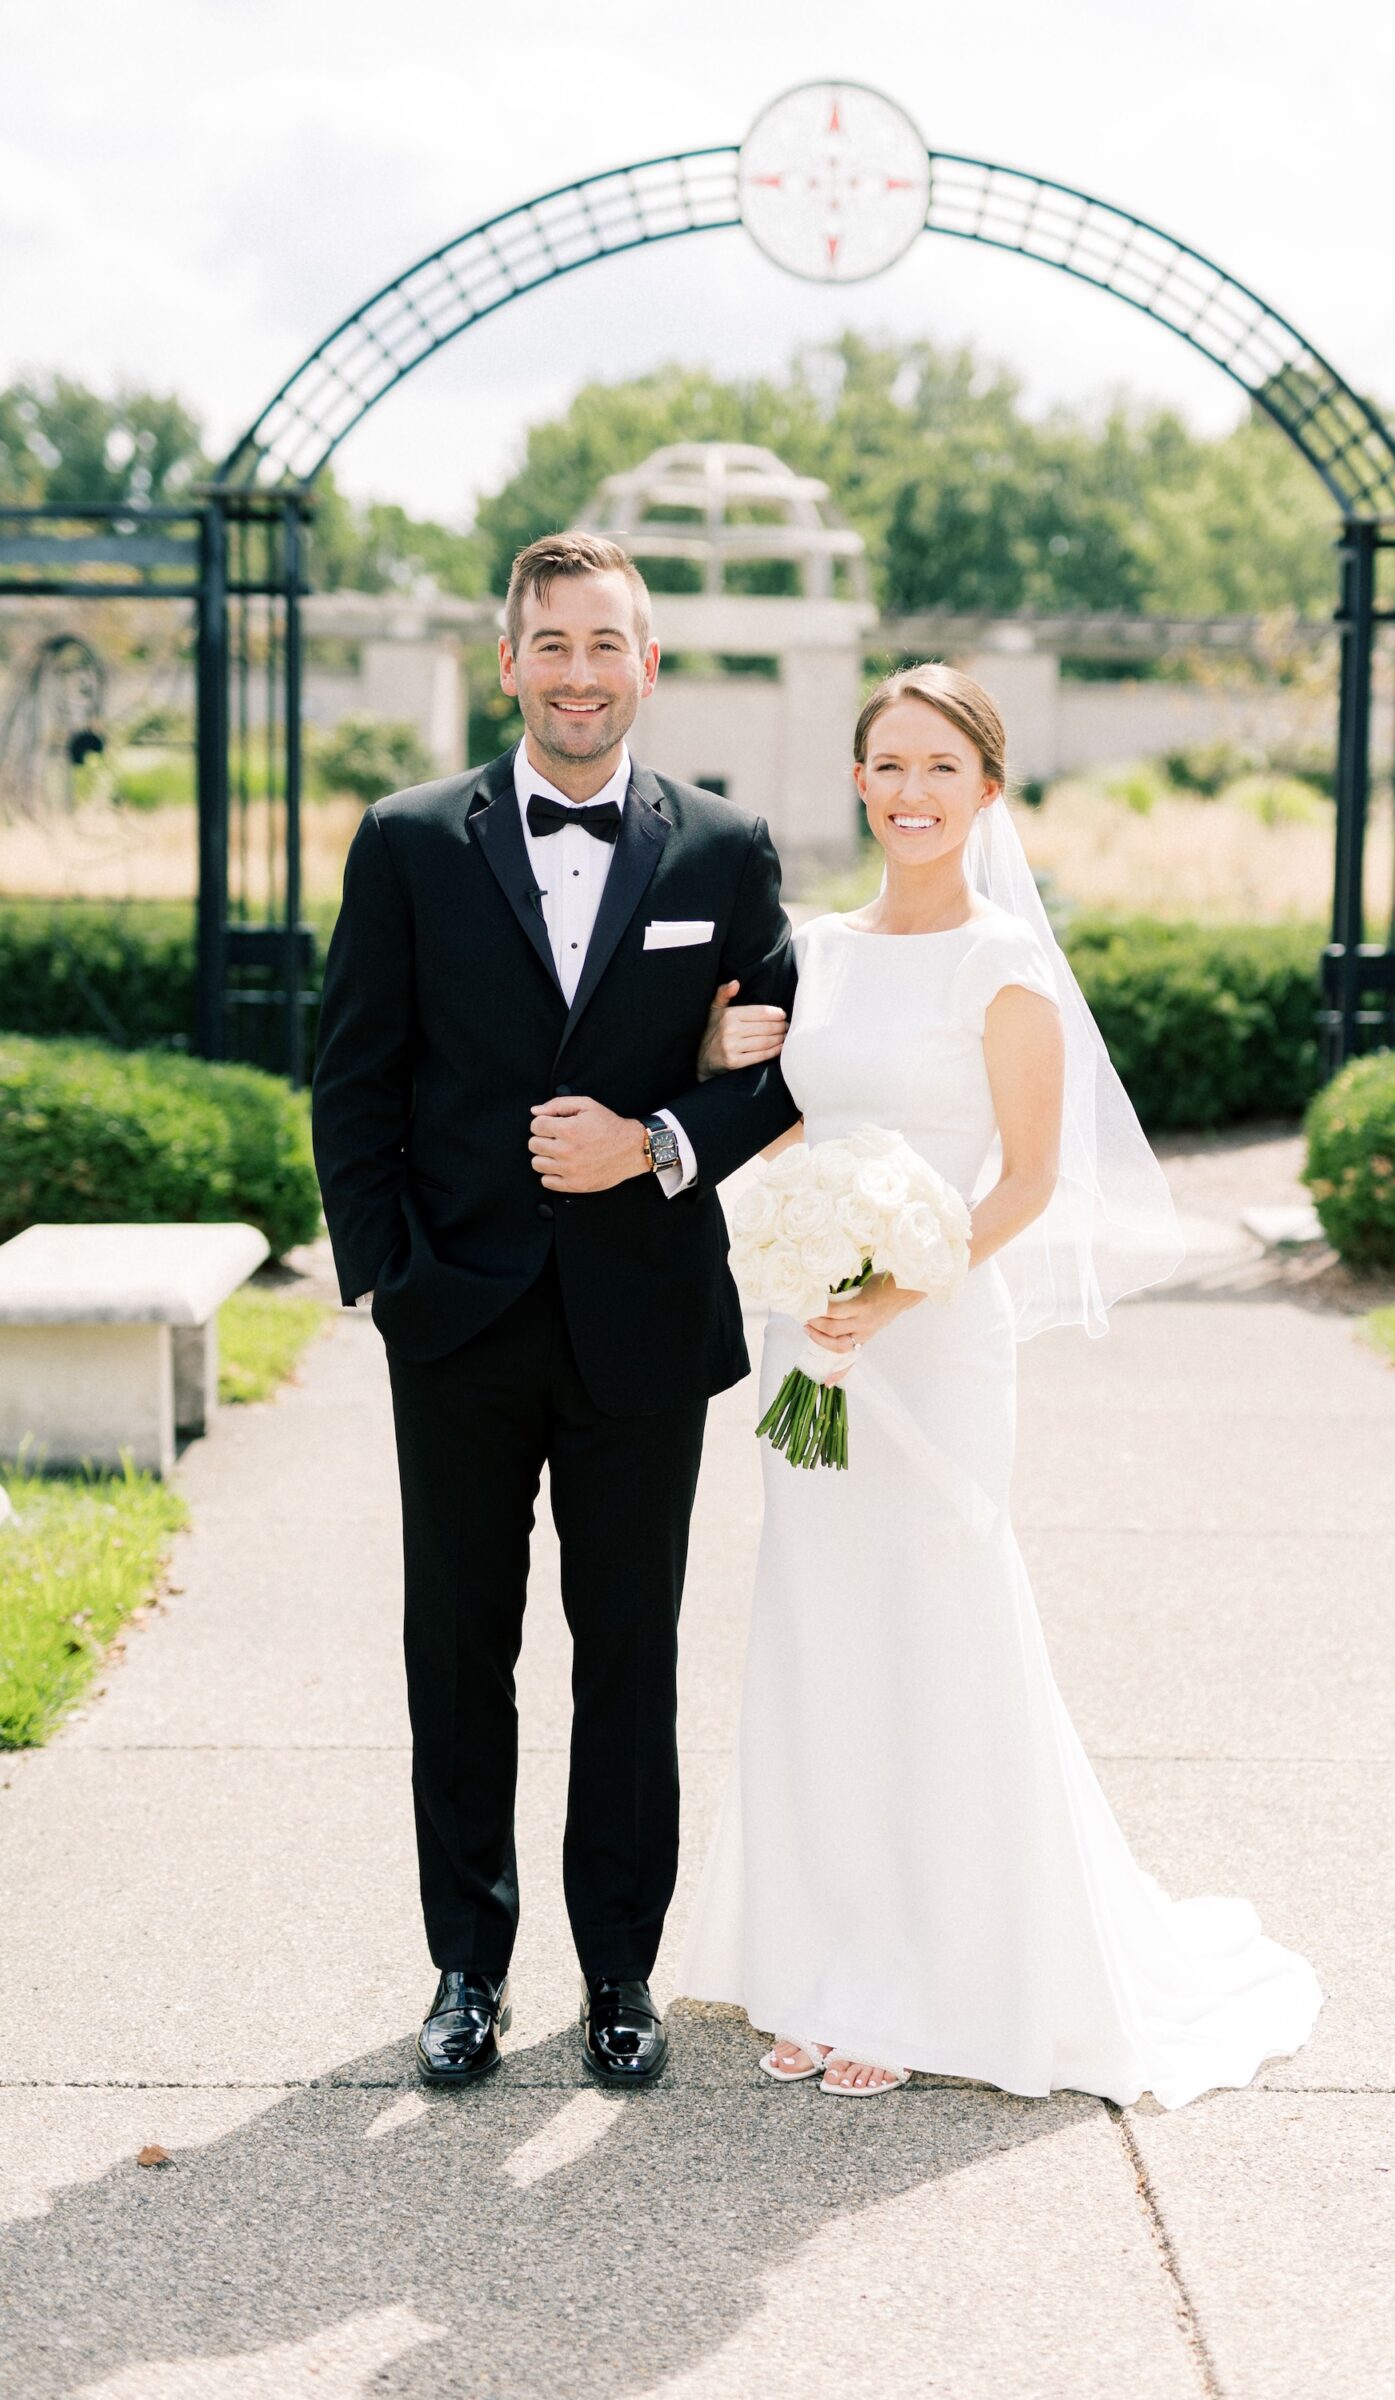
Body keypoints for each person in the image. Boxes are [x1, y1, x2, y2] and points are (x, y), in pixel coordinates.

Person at [679, 664, 1324, 2103]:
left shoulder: (1002, 964)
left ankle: (929, 1977)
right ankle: (821, 1959)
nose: (911, 791)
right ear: (859, 781)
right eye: (888, 765)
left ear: (988, 789)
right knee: (817, 1630)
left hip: (934, 1336)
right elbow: (787, 1127)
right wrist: (736, 1092)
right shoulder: (813, 950)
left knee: (931, 1627)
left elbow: (1027, 1179)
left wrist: (893, 1290)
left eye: (940, 766)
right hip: (813, 1334)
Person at [311, 532, 799, 2089]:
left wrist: (654, 1143)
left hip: (642, 1323)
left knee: (629, 1653)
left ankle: (619, 1975)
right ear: (508, 661)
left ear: (647, 664)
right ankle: (466, 1967)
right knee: (458, 1651)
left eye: (606, 645)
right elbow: (353, 1075)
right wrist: (387, 1277)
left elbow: (785, 1067)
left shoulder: (725, 850)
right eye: (553, 644)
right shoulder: (407, 841)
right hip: (454, 1318)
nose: (579, 674)